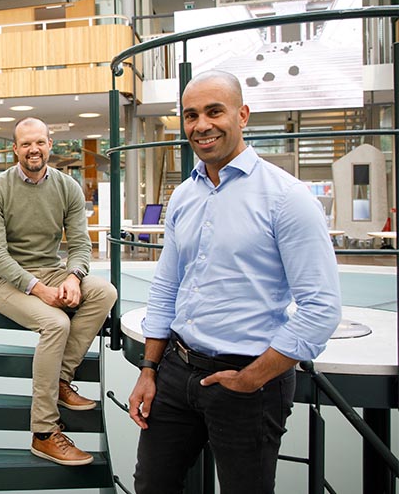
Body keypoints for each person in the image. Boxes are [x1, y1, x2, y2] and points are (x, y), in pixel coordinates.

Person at [127, 70, 342, 493]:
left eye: (214, 111)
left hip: (249, 382)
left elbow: (320, 309)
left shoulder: (287, 198)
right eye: (190, 115)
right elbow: (167, 286)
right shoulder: (185, 196)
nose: (201, 125)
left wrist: (251, 378)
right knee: (151, 486)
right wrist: (149, 369)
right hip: (176, 370)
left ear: (242, 115)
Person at [0, 116, 117, 466]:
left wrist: (73, 277)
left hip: (53, 270)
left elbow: (81, 244)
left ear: (50, 145)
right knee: (56, 323)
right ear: (15, 149)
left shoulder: (67, 187)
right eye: (25, 144)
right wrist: (38, 289)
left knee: (104, 292)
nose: (33, 149)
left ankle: (61, 379)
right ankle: (43, 432)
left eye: (39, 142)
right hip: (6, 280)